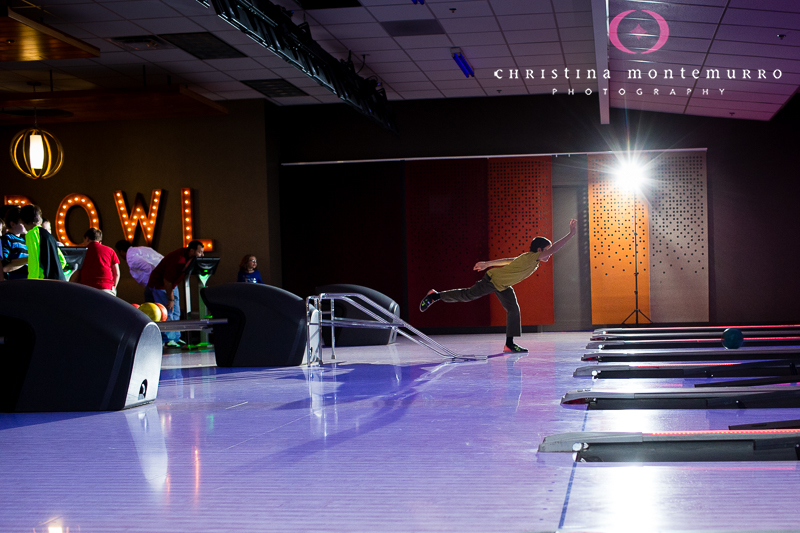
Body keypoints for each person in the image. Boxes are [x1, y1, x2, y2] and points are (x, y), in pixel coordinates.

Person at [419, 219, 578, 353]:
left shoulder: (529, 258)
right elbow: (556, 248)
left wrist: (487, 263)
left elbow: (509, 259)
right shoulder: (533, 258)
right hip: (492, 281)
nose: (549, 254)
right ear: (539, 250)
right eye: (547, 250)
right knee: (468, 295)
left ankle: (509, 344)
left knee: (513, 309)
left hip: (503, 285)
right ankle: (436, 295)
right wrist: (571, 234)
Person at [146, 240, 204, 346]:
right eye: (200, 252)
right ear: (191, 250)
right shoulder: (178, 259)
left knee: (176, 311)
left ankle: (176, 338)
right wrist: (171, 298)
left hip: (172, 284)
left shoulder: (188, 257)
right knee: (168, 311)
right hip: (160, 285)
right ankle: (168, 339)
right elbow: (167, 281)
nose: (202, 255)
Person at [19, 204, 66, 281]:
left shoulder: (32, 234)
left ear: (23, 221)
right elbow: (62, 261)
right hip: (59, 280)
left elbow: (34, 260)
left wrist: (32, 282)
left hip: (44, 282)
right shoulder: (49, 236)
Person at [73, 228, 120, 295]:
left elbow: (76, 274)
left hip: (87, 288)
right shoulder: (110, 251)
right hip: (107, 288)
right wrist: (113, 287)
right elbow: (117, 273)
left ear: (87, 238)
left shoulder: (82, 252)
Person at [2, 206, 29, 280]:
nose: (26, 224)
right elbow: (4, 265)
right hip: (13, 283)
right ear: (13, 224)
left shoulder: (23, 241)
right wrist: (29, 259)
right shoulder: (7, 239)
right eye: (22, 223)